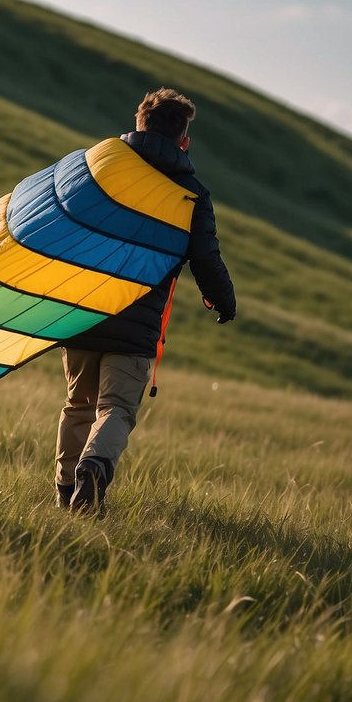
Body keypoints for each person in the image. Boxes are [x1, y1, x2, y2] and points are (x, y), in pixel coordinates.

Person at [57, 88, 236, 517]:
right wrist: (223, 301)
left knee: (77, 406)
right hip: (136, 327)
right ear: (184, 142)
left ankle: (66, 496)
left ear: (138, 126)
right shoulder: (190, 195)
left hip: (83, 313)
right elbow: (205, 258)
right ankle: (95, 467)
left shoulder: (99, 168)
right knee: (116, 408)